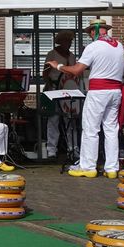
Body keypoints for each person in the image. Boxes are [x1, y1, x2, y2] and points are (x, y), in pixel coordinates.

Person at [49, 18, 124, 179]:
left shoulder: (93, 46)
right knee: (111, 130)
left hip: (99, 91)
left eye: (90, 32)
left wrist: (59, 66)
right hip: (116, 91)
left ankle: (88, 166)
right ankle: (111, 168)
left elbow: (76, 70)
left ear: (93, 31)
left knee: (91, 129)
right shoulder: (119, 45)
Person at [42, 30, 82, 159]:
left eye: (71, 41)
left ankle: (73, 148)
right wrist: (49, 85)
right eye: (67, 41)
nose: (70, 43)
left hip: (68, 90)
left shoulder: (71, 56)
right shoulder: (52, 54)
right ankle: (51, 149)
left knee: (70, 119)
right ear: (61, 41)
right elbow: (45, 73)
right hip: (53, 88)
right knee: (53, 119)